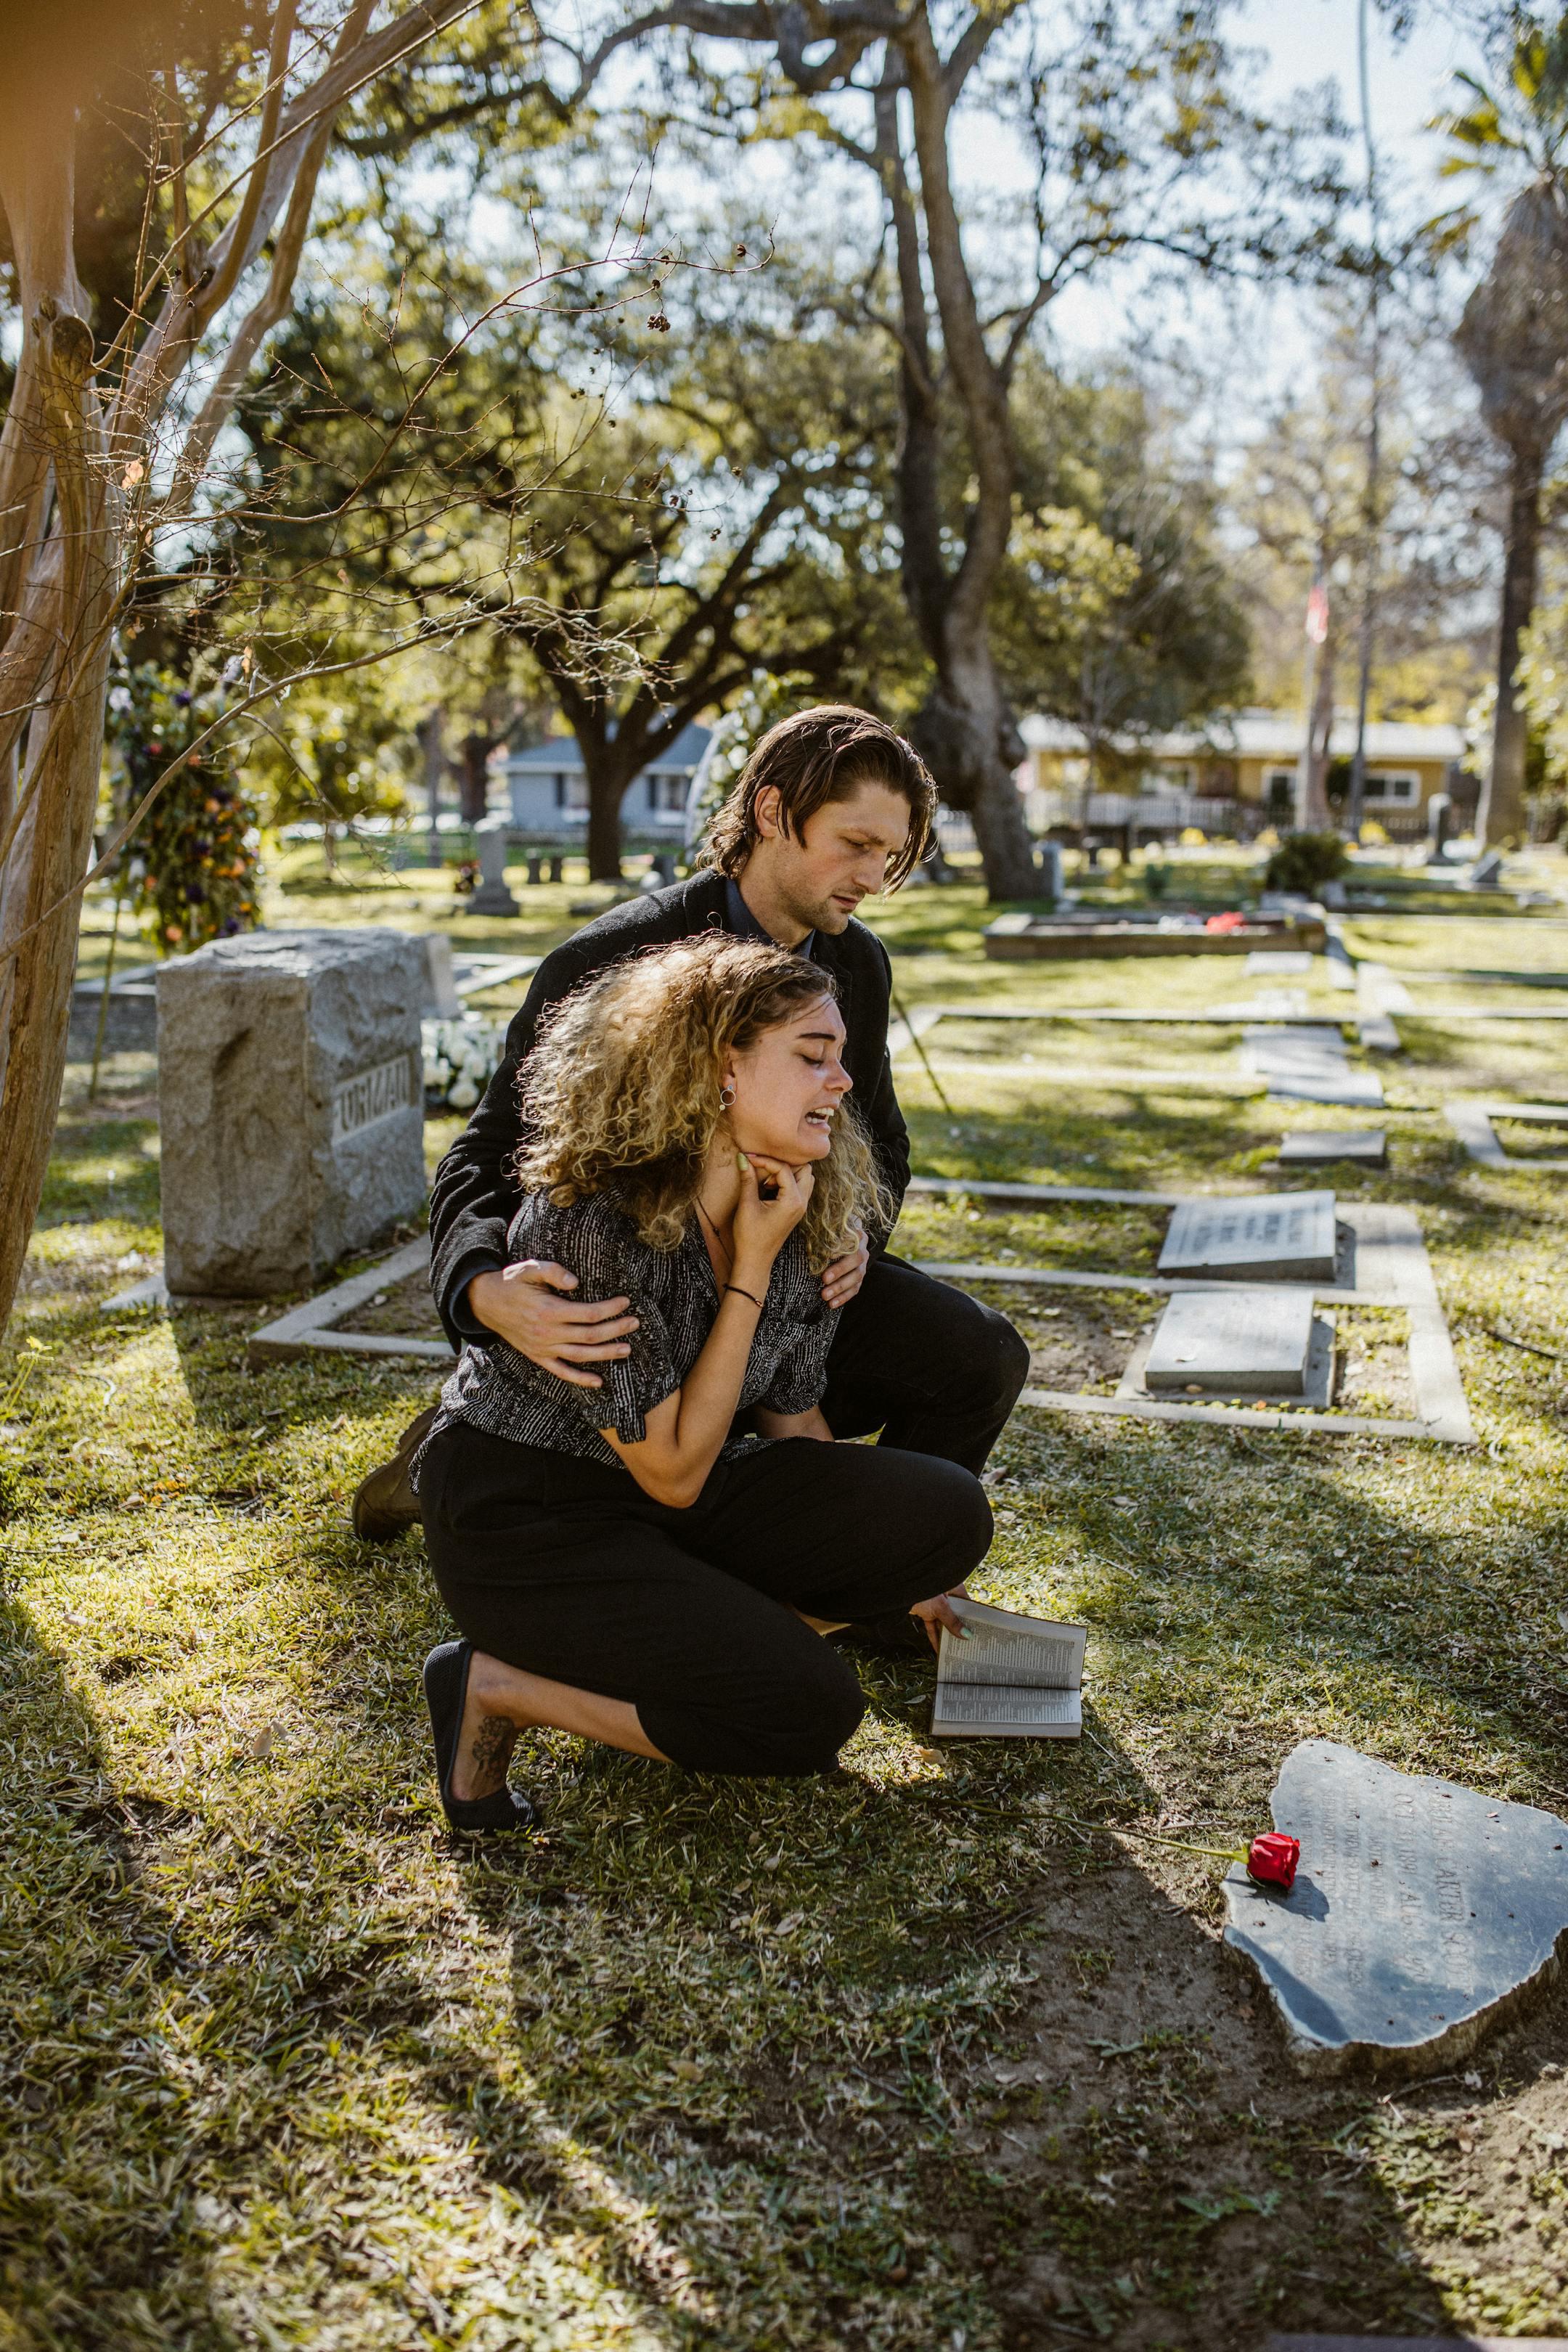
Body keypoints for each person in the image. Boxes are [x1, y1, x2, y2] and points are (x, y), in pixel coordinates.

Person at [354, 703, 1029, 1567]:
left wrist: (858, 1229)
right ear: (773, 811)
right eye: (856, 844)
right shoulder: (615, 957)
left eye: (891, 856)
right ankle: (456, 1445)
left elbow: (883, 1144)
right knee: (640, 1415)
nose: (873, 875)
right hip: (636, 1300)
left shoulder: (855, 962)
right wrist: (482, 1291)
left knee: (978, 1355)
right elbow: (484, 1154)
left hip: (774, 1276)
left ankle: (869, 1572)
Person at [416, 937, 995, 1826]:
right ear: (723, 1068)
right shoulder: (590, 1224)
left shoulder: (799, 1201)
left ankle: (716, 1621)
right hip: (530, 1516)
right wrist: (750, 1269)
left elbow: (797, 1425)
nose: (843, 1083)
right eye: (813, 1057)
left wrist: (888, 1569)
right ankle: (492, 1684)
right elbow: (675, 1469)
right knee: (809, 1715)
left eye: (840, 1058)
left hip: (677, 1502)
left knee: (946, 1513)